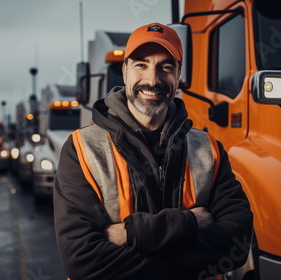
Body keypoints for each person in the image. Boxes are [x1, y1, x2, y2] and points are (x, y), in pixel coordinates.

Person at [53, 22, 253, 280]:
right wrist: (189, 223)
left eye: (166, 67)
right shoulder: (82, 148)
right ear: (125, 71)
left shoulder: (208, 150)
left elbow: (236, 246)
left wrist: (127, 234)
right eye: (141, 65)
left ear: (179, 74)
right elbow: (81, 261)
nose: (153, 80)